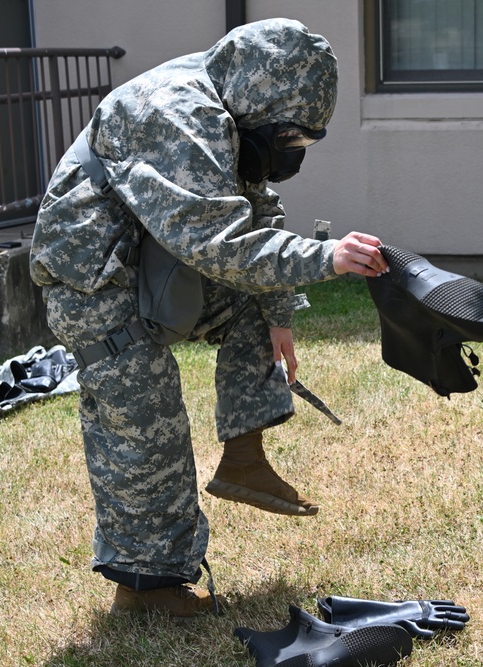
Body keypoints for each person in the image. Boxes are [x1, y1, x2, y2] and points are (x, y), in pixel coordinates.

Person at [29, 18, 389, 617]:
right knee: (147, 421)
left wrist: (276, 312)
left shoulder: (229, 106)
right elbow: (218, 242)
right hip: (95, 287)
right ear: (262, 101)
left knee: (254, 296)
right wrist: (328, 257)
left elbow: (255, 206)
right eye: (290, 140)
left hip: (152, 263)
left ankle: (244, 461)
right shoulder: (173, 112)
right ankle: (147, 591)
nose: (291, 154)